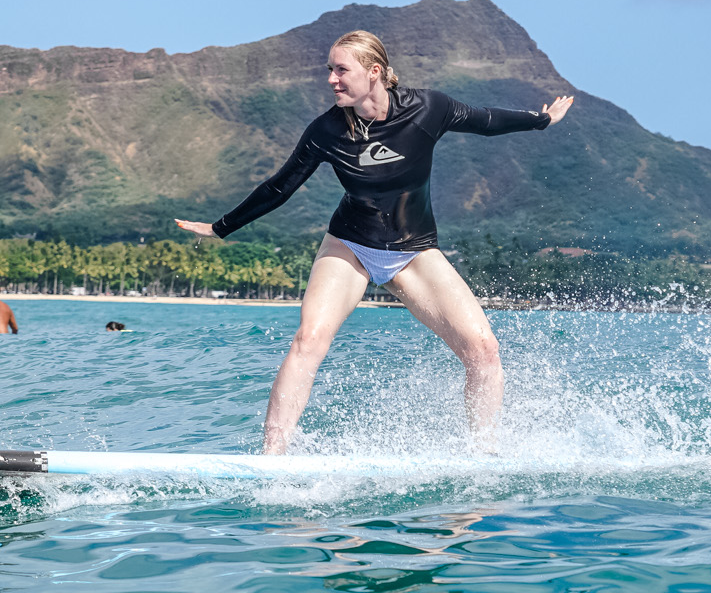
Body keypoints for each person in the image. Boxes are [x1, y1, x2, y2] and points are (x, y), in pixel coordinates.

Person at [175, 29, 573, 454]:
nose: (331, 78)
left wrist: (542, 119)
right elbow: (280, 187)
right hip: (351, 245)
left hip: (414, 248)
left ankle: (483, 452)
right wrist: (220, 227)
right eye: (329, 69)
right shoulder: (326, 130)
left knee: (484, 350)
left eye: (341, 69)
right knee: (309, 340)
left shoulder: (427, 109)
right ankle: (273, 457)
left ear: (375, 72)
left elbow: (486, 121)